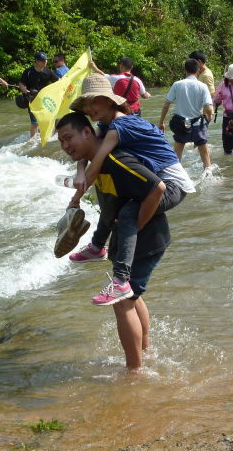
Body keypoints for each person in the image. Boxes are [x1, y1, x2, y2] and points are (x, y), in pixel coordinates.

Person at [57, 111, 172, 370]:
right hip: (127, 238)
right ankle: (145, 353)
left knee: (122, 303)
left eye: (68, 138)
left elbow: (158, 188)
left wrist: (139, 224)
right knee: (130, 297)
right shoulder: (96, 163)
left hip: (145, 236)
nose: (65, 146)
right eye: (61, 142)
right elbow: (110, 205)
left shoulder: (115, 160)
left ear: (87, 132)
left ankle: (134, 373)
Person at [66, 73, 194, 267]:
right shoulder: (105, 124)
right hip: (152, 179)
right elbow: (89, 151)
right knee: (110, 199)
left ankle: (121, 274)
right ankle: (97, 246)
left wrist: (75, 200)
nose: (88, 108)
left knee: (127, 215)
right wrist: (80, 169)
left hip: (172, 184)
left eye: (93, 101)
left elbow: (97, 162)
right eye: (85, 104)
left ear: (109, 102)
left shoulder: (119, 126)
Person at [157, 58, 214, 171]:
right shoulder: (202, 86)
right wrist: (207, 120)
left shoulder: (177, 85)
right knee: (205, 155)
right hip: (198, 124)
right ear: (198, 70)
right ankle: (208, 174)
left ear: (184, 70)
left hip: (181, 124)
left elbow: (166, 105)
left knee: (177, 153)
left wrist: (161, 122)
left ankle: (175, 175)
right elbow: (208, 108)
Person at [17, 52, 59, 138]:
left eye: (46, 60)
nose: (45, 62)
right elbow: (21, 84)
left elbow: (58, 81)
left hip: (44, 100)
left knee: (46, 120)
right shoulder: (28, 72)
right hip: (32, 100)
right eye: (42, 60)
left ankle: (42, 137)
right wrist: (26, 91)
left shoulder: (48, 72)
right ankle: (32, 141)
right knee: (34, 123)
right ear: (36, 61)